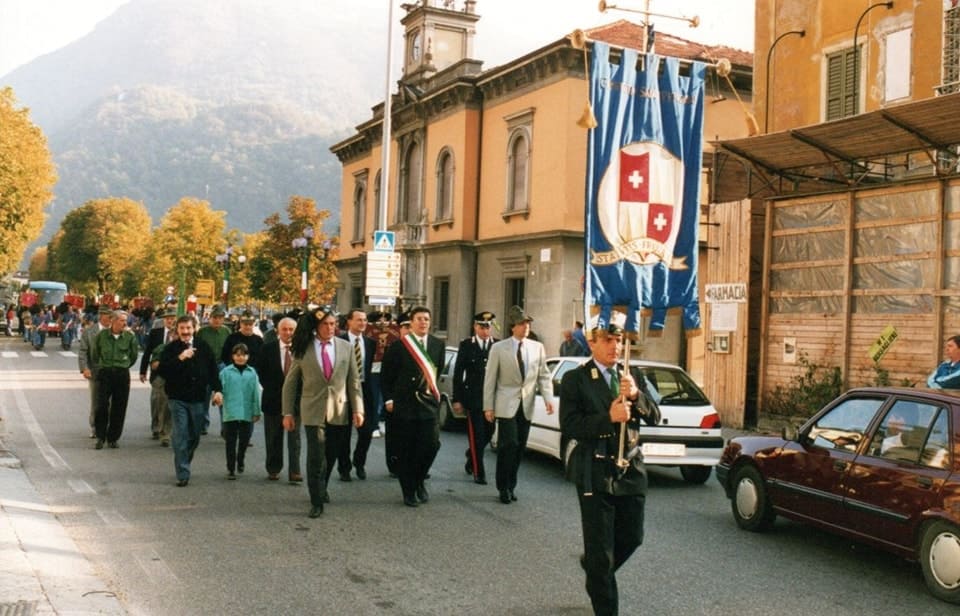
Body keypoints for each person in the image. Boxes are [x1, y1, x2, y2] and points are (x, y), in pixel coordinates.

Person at [560, 323, 661, 616]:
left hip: (630, 469)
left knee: (632, 537)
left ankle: (594, 568)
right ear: (591, 343)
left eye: (618, 340)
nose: (614, 346)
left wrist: (636, 397)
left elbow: (655, 415)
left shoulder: (631, 375)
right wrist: (608, 418)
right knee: (602, 554)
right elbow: (570, 426)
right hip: (595, 469)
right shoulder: (576, 379)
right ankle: (603, 594)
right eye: (607, 340)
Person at [282, 307, 363, 518]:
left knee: (331, 454)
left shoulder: (345, 347)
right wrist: (287, 413)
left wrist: (358, 409)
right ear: (316, 327)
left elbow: (353, 381)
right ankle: (316, 500)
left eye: (333, 324)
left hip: (339, 409)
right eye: (325, 324)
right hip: (312, 410)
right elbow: (290, 384)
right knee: (316, 455)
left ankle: (322, 486)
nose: (330, 328)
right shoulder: (303, 348)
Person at [483, 305, 554, 504]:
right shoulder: (499, 348)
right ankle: (502, 487)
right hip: (506, 404)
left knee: (519, 447)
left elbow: (544, 375)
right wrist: (488, 406)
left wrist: (548, 398)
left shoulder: (537, 347)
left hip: (527, 404)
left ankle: (511, 485)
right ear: (513, 327)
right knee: (509, 444)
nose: (526, 327)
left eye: (528, 324)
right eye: (522, 324)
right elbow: (490, 379)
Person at [381, 306, 445, 507]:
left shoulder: (437, 344)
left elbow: (437, 371)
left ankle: (419, 480)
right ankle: (408, 490)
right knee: (407, 449)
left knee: (431, 445)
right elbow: (386, 376)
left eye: (426, 318)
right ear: (411, 322)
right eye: (419, 319)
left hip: (428, 403)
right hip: (405, 404)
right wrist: (389, 399)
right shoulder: (399, 347)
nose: (423, 322)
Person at [158, 315, 223, 487]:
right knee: (181, 434)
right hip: (177, 398)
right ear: (177, 330)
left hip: (198, 399)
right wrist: (180, 358)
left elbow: (212, 370)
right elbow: (163, 370)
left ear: (194, 328)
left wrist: (218, 390)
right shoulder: (171, 349)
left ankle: (184, 458)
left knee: (194, 436)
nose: (185, 332)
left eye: (188, 328)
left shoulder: (203, 346)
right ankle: (183, 473)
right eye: (182, 329)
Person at [453, 311, 497, 484]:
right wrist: (457, 399)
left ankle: (471, 454)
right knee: (477, 435)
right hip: (473, 398)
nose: (486, 331)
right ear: (475, 327)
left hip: (492, 400)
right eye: (482, 327)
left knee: (489, 432)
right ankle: (479, 472)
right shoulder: (466, 345)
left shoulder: (497, 346)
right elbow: (458, 374)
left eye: (488, 327)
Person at [259, 316, 302, 482]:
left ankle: (295, 471)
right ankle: (273, 468)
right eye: (284, 329)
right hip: (273, 399)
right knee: (273, 436)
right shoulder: (267, 349)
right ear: (278, 330)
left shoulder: (302, 350)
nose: (288, 333)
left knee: (295, 438)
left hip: (296, 401)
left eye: (292, 329)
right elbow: (261, 372)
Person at [91, 310, 140, 449]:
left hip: (121, 374)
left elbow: (133, 356)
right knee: (101, 406)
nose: (124, 323)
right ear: (113, 321)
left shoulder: (130, 337)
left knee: (119, 406)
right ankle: (100, 436)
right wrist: (104, 365)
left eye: (125, 321)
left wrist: (122, 365)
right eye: (121, 320)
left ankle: (113, 438)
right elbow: (95, 354)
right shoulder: (102, 336)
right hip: (105, 372)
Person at [339, 308, 378, 480]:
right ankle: (344, 467)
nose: (362, 323)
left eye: (364, 320)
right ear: (349, 321)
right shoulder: (339, 341)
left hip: (364, 390)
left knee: (367, 430)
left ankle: (359, 462)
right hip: (344, 391)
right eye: (358, 320)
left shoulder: (370, 343)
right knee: (343, 432)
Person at [219, 343, 262, 479]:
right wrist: (217, 397)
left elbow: (256, 392)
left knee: (244, 440)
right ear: (233, 356)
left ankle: (241, 459)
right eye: (238, 355)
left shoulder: (252, 372)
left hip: (247, 412)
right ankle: (231, 468)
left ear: (248, 356)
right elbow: (220, 389)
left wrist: (257, 411)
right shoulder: (226, 372)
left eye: (243, 355)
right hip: (230, 411)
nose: (241, 358)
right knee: (230, 441)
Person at [140, 308, 178, 439]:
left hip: (173, 373)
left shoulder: (180, 334)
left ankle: (165, 432)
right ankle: (156, 426)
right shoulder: (156, 333)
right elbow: (147, 352)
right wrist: (142, 371)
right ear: (164, 320)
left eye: (173, 319)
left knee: (168, 403)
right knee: (157, 400)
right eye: (168, 319)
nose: (170, 321)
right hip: (157, 373)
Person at [196, 305, 232, 434]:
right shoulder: (202, 332)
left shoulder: (226, 331)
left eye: (220, 318)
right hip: (206, 367)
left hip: (221, 365)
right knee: (204, 396)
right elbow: (197, 349)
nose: (217, 320)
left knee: (223, 395)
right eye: (215, 318)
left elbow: (230, 350)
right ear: (210, 318)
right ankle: (203, 424)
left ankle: (225, 427)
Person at [79, 305, 113, 438]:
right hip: (95, 372)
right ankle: (95, 427)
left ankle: (108, 426)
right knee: (96, 401)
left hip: (111, 371)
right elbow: (83, 351)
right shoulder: (89, 332)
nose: (110, 319)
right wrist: (85, 368)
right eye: (107, 316)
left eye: (111, 317)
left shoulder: (115, 331)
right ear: (101, 316)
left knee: (110, 402)